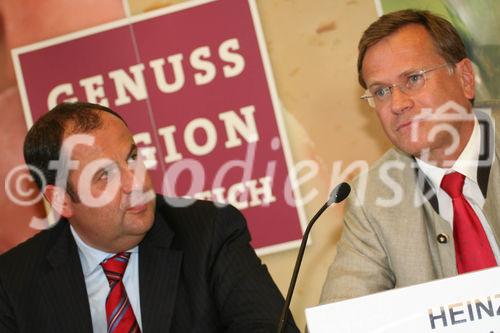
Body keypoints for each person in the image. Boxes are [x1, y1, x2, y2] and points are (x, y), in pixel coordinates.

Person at [0, 102, 299, 332]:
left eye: (132, 157)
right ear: (62, 199)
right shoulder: (13, 283)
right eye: (104, 174)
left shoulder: (210, 232)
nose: (136, 182)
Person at [320, 9, 500, 303]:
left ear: (466, 78)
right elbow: (343, 317)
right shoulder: (372, 201)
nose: (398, 103)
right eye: (380, 92)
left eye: (414, 78)